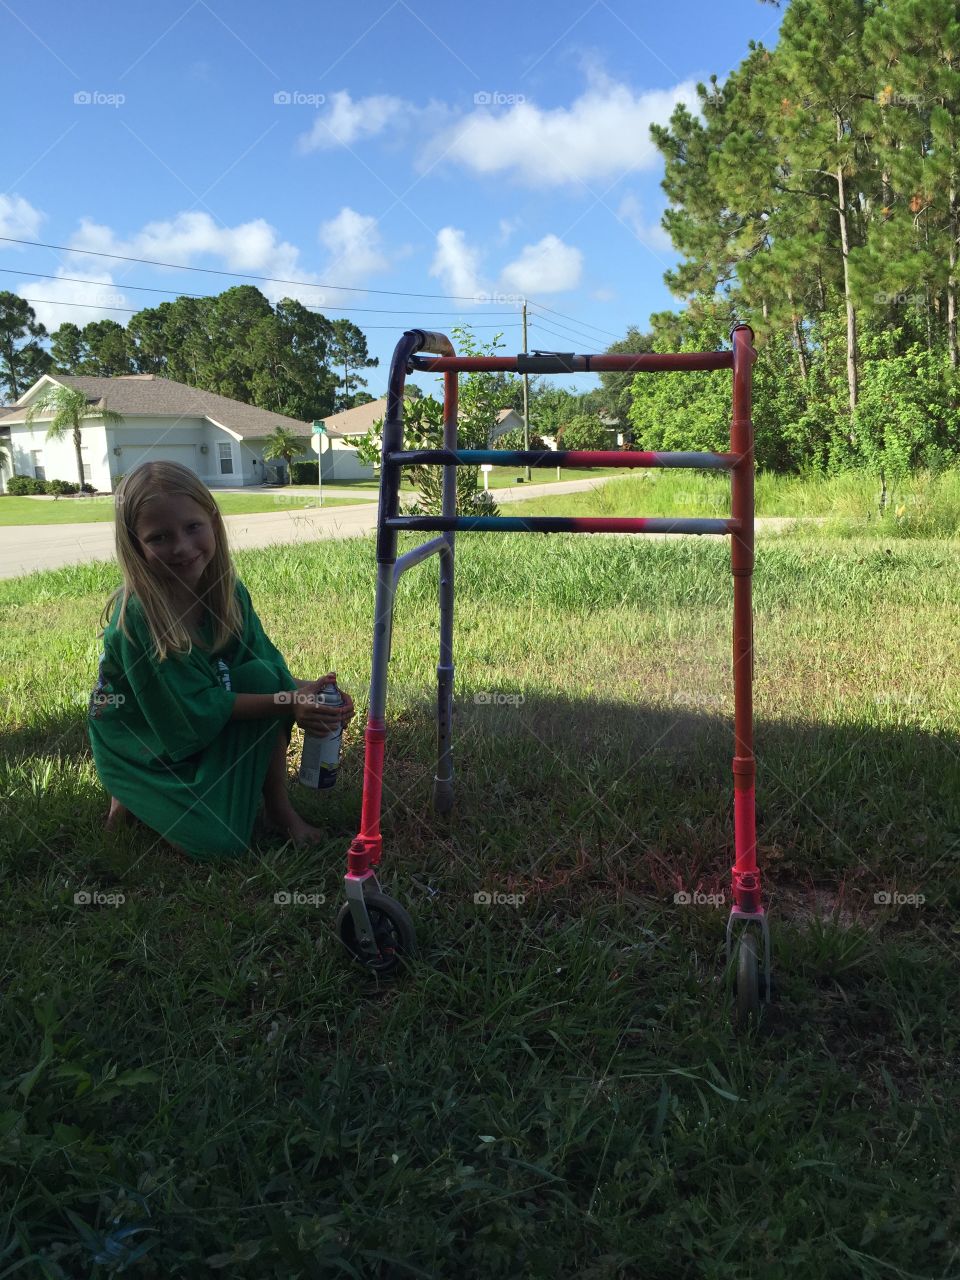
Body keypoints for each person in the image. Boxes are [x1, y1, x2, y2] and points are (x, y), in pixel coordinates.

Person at [88, 461, 355, 861]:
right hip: (143, 740)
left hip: (194, 719)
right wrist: (287, 701)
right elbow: (191, 709)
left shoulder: (227, 590)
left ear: (213, 520)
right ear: (134, 543)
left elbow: (262, 667)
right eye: (159, 537)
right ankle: (129, 793)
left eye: (192, 527)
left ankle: (280, 812)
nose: (181, 547)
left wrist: (310, 693)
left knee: (266, 680)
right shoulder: (139, 619)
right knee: (220, 845)